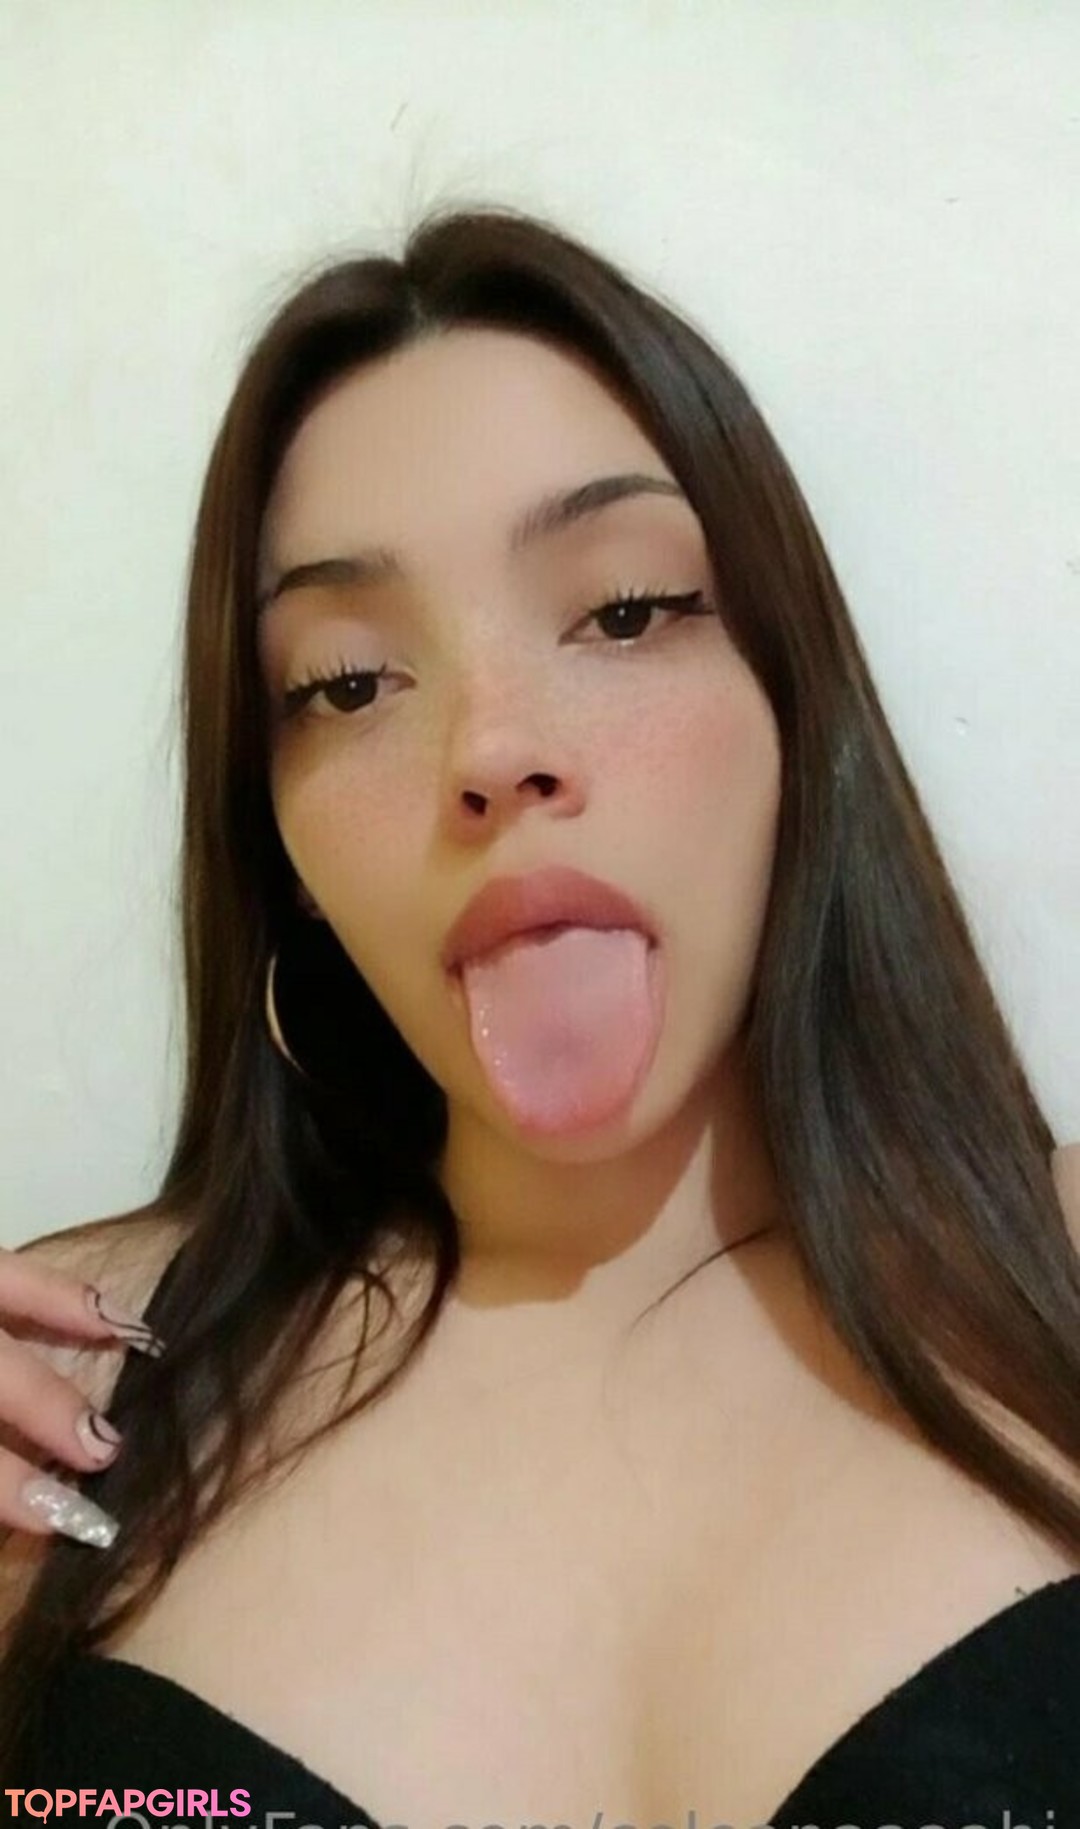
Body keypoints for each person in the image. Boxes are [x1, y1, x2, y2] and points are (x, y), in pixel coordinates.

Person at [1, 202, 1078, 1824]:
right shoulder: (71, 1373)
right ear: (280, 847)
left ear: (795, 707)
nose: (492, 748)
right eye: (348, 682)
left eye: (625, 609)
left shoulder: (1055, 1279)